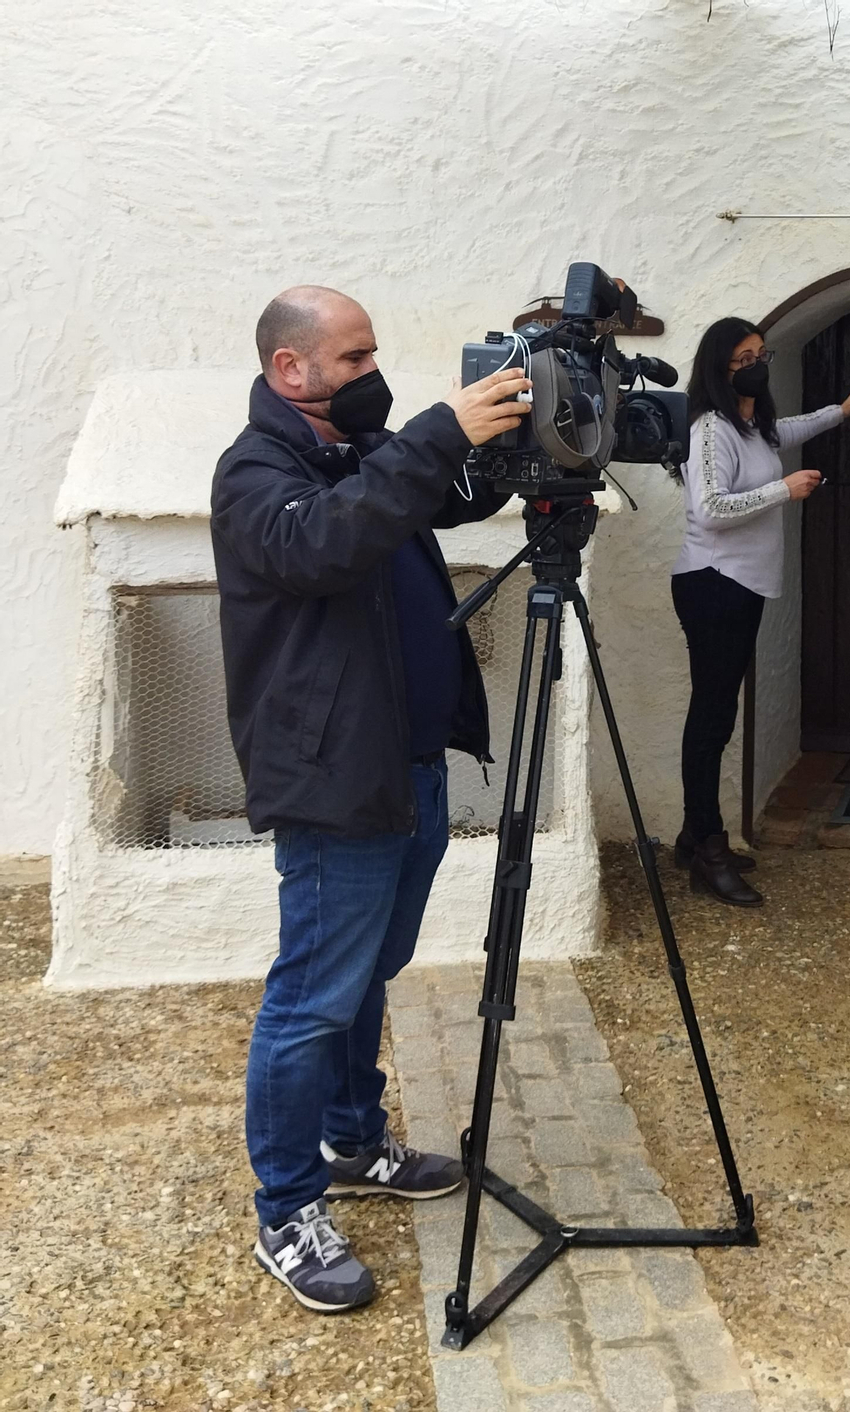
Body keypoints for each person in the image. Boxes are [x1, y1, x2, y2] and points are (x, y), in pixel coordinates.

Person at [212, 285, 532, 1314]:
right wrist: (437, 430)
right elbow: (324, 545)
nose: (372, 372)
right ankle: (287, 1207)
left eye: (373, 353)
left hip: (409, 765)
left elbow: (439, 495)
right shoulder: (256, 472)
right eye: (352, 358)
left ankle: (355, 1141)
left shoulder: (360, 451)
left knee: (369, 970)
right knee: (311, 997)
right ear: (288, 370)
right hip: (336, 779)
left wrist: (520, 443)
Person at [671, 316, 850, 906]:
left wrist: (842, 410)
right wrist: (782, 491)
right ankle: (707, 848)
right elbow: (710, 507)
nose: (756, 365)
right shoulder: (710, 427)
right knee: (711, 719)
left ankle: (696, 835)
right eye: (744, 358)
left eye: (762, 354)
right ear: (719, 367)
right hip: (713, 583)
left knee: (718, 716)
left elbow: (785, 431)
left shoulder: (749, 426)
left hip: (740, 586)